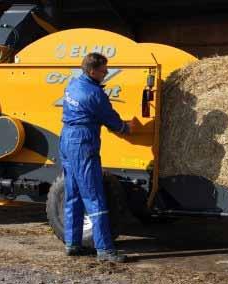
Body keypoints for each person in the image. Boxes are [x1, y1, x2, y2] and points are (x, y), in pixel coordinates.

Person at [59, 52, 131, 263]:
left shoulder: (73, 84)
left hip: (66, 137)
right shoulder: (94, 94)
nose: (106, 72)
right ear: (92, 71)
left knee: (72, 192)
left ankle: (72, 243)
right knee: (93, 195)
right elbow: (113, 122)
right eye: (103, 70)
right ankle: (105, 250)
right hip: (82, 141)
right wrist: (127, 127)